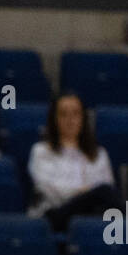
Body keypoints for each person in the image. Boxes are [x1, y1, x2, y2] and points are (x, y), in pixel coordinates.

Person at [28, 92, 115, 233]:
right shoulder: (41, 151)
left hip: (91, 215)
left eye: (75, 114)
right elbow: (49, 190)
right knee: (103, 192)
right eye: (63, 114)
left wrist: (87, 195)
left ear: (83, 118)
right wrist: (84, 193)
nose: (70, 120)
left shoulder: (99, 154)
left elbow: (107, 190)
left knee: (105, 200)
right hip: (55, 214)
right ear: (54, 119)